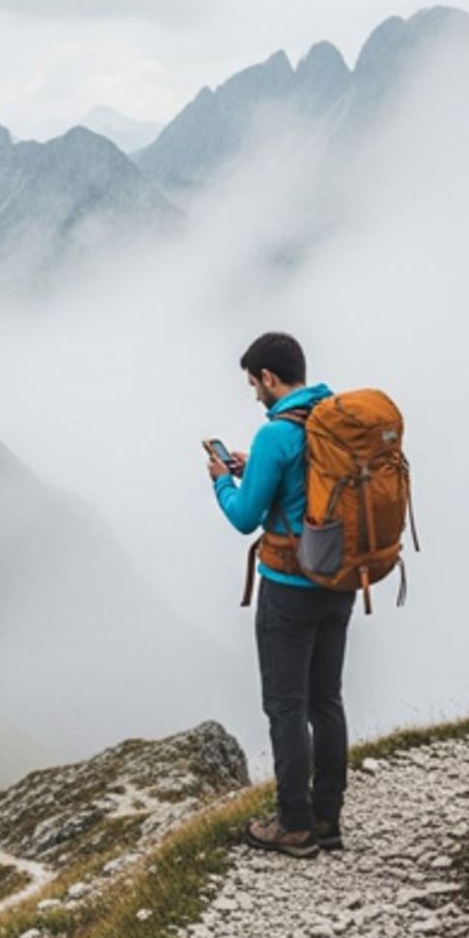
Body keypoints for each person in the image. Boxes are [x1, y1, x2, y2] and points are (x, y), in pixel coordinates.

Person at [206, 331, 356, 858]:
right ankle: (327, 819)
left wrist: (222, 481)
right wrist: (258, 467)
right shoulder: (330, 416)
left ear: (269, 377)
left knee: (285, 707)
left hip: (289, 590)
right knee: (326, 701)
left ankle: (293, 825)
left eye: (254, 384)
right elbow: (303, 481)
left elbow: (246, 517)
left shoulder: (277, 435)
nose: (254, 394)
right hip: (339, 581)